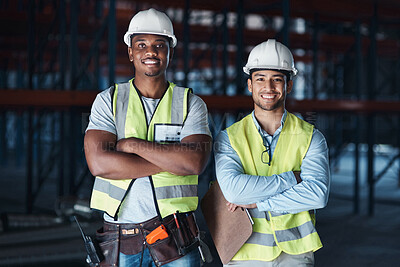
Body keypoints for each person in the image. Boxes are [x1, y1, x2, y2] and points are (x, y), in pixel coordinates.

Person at [84, 8, 212, 267]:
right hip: (120, 240)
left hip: (176, 240)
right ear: (131, 52)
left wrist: (132, 145)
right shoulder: (108, 100)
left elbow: (195, 163)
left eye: (159, 45)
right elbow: (99, 164)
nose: (150, 52)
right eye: (141, 44)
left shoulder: (191, 104)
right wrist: (173, 160)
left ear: (170, 52)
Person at [214, 39, 330, 266]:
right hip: (243, 252)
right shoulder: (229, 138)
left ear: (288, 86)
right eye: (260, 79)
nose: (268, 87)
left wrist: (259, 203)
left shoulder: (311, 137)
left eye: (277, 79)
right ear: (250, 85)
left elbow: (317, 194)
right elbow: (235, 192)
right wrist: (293, 179)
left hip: (295, 254)